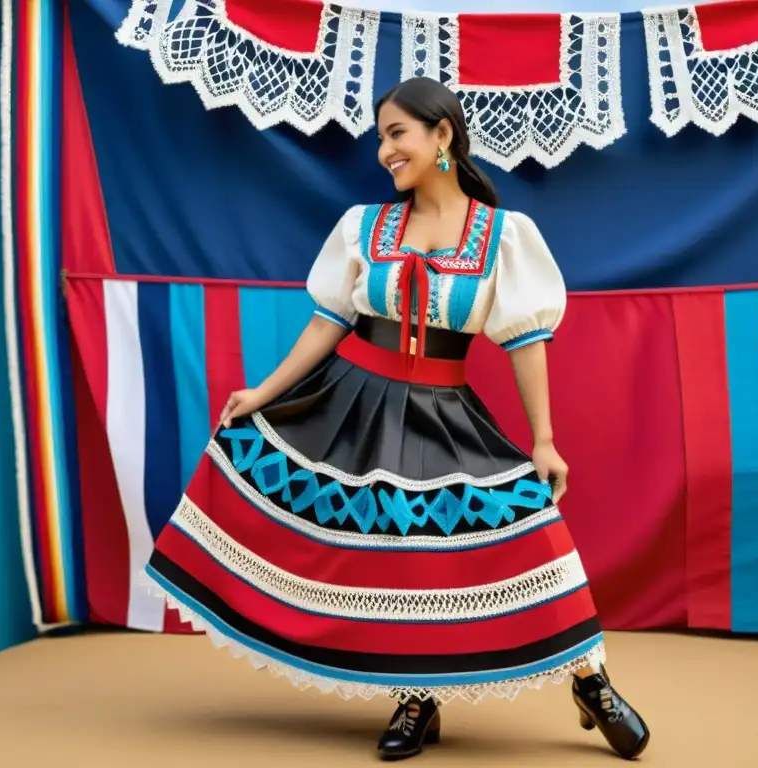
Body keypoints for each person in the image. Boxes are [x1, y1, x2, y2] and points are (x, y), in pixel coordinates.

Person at [144, 76, 649, 762]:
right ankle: (418, 699)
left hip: (445, 411)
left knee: (536, 537)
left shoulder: (504, 236)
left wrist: (546, 441)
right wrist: (263, 392)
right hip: (354, 407)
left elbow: (526, 343)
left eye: (396, 133)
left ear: (441, 135)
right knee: (396, 563)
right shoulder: (364, 228)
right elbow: (328, 326)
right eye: (380, 136)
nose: (384, 150)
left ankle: (590, 681)